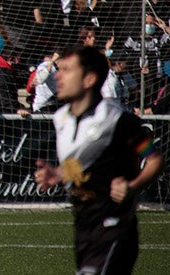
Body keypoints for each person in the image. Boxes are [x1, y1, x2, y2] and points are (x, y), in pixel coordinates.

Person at [35, 45, 164, 274]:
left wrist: (133, 186)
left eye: (67, 69)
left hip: (114, 228)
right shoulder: (61, 119)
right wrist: (58, 174)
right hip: (84, 229)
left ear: (89, 79)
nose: (58, 75)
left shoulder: (117, 120)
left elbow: (153, 158)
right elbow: (82, 165)